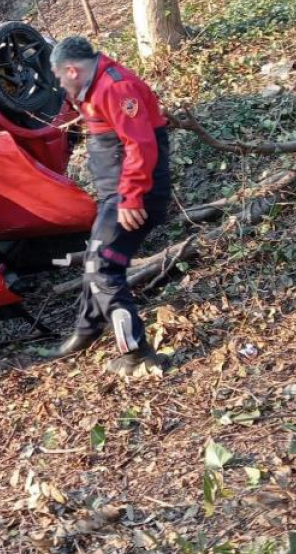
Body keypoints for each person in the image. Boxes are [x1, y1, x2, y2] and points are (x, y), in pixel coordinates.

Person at [47, 36, 171, 375]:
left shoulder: (115, 87)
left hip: (133, 195)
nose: (59, 84)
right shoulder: (92, 87)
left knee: (103, 268)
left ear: (72, 69)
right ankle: (86, 331)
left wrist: (132, 198)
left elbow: (140, 145)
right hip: (114, 195)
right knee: (94, 259)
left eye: (59, 77)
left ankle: (136, 354)